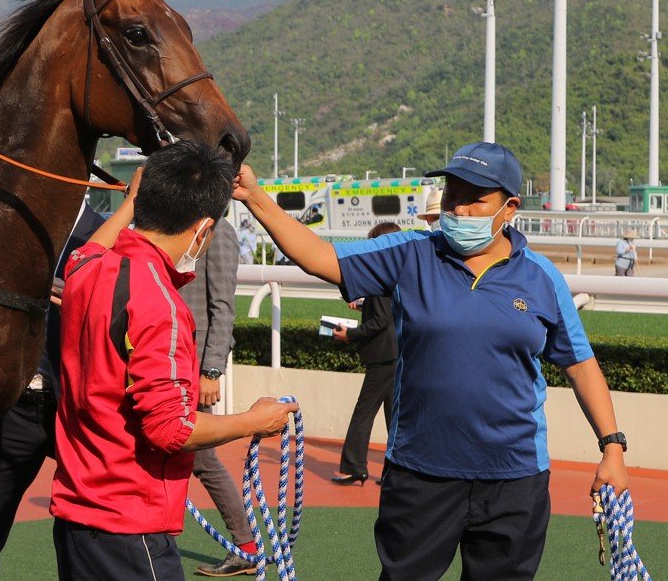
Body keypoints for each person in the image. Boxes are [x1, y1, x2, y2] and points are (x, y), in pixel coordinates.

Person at [234, 141, 629, 580]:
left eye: (475, 199)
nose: (459, 210)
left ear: (510, 208)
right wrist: (255, 197)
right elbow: (319, 257)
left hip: (515, 479)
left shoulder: (542, 278)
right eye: (453, 195)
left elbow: (580, 364)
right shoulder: (412, 253)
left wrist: (612, 446)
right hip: (421, 473)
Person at [51, 140, 297, 581]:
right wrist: (253, 422)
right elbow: (171, 429)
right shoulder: (160, 304)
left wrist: (130, 204)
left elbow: (83, 253)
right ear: (204, 231)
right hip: (130, 524)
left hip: (76, 513)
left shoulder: (87, 270)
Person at [0, 205, 107, 581]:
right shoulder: (7, 223)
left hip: (73, 407)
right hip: (12, 407)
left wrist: (79, 300)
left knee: (83, 525)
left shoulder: (105, 231)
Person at [180, 218, 259, 577]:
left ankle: (246, 545)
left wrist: (212, 369)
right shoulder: (175, 224)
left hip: (194, 367)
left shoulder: (219, 231)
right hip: (167, 361)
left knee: (202, 459)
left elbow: (223, 305)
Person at [330, 221, 400, 487]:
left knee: (363, 412)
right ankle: (393, 472)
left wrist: (350, 334)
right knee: (394, 417)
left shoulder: (380, 274)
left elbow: (380, 321)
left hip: (382, 357)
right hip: (396, 354)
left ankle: (354, 467)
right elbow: (388, 313)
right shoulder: (397, 270)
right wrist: (364, 306)